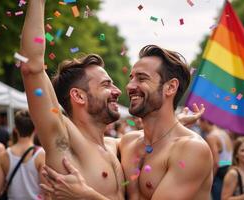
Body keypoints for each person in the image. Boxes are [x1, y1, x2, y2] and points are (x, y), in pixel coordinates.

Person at [42, 45, 213, 199]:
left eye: (142, 78)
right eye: (131, 78)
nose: (129, 86)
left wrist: (86, 196)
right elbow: (88, 141)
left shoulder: (193, 149)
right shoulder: (127, 144)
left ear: (170, 87)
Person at [20, 0, 125, 199]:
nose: (117, 90)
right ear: (78, 96)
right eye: (106, 84)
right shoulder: (63, 142)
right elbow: (31, 68)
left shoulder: (116, 146)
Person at [0, 110, 45, 199]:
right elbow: (47, 192)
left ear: (15, 129)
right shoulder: (41, 154)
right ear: (34, 129)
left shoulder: (4, 155)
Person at [198, 118, 233, 200]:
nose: (199, 125)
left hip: (220, 174)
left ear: (205, 121)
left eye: (200, 122)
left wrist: (210, 180)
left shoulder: (211, 137)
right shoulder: (223, 132)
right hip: (229, 168)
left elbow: (216, 162)